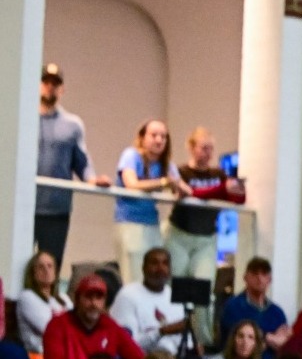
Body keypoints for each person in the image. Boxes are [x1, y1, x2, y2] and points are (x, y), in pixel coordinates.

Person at [34, 64, 111, 272]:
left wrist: (93, 180)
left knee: (51, 268)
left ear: (62, 89)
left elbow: (81, 162)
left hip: (56, 210)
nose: (49, 87)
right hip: (24, 208)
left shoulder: (72, 124)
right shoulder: (23, 118)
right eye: (46, 82)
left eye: (55, 84)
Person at [37, 273, 143, 359]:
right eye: (88, 297)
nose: (94, 303)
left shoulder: (111, 327)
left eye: (99, 298)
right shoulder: (57, 325)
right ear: (77, 300)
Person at [114, 120, 191, 284]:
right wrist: (164, 182)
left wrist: (179, 187)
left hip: (152, 224)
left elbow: (185, 189)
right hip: (130, 222)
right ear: (142, 138)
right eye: (154, 135)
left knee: (157, 277)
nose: (159, 140)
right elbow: (132, 185)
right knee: (134, 277)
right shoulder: (131, 155)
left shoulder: (166, 164)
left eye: (163, 136)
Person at [168, 128, 242, 281]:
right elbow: (183, 192)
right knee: (176, 278)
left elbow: (231, 196)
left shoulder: (219, 175)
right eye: (203, 148)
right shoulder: (182, 172)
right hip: (180, 234)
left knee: (204, 281)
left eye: (211, 149)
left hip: (207, 236)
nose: (208, 153)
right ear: (191, 148)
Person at [110, 248, 192, 358]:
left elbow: (185, 340)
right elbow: (127, 344)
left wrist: (193, 346)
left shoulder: (175, 295)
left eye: (165, 264)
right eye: (154, 263)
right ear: (143, 268)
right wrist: (162, 331)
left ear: (170, 269)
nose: (160, 268)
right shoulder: (128, 295)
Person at [218, 258, 290, 359]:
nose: (259, 278)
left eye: (264, 274)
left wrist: (263, 339)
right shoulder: (233, 306)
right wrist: (269, 338)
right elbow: (240, 342)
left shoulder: (277, 312)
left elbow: (283, 343)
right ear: (245, 277)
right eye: (255, 273)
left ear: (270, 279)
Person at [16, 251, 73, 359]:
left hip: (68, 354)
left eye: (50, 266)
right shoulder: (27, 297)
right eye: (41, 267)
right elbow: (50, 328)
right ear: (33, 273)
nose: (46, 270)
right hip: (41, 357)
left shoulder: (63, 298)